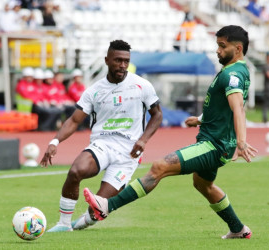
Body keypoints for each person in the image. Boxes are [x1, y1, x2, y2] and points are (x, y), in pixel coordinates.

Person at [83, 25, 258, 239]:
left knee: (160, 167)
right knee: (203, 184)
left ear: (238, 49)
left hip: (214, 145)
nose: (218, 51)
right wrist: (202, 119)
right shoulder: (238, 71)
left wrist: (242, 141)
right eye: (217, 45)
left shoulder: (232, 74)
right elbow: (224, 106)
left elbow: (237, 107)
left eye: (222, 46)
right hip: (216, 140)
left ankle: (107, 206)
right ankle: (238, 229)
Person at [40, 40, 163, 232]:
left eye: (126, 61)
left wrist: (143, 139)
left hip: (128, 153)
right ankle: (64, 224)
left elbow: (157, 114)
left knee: (97, 208)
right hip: (102, 144)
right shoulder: (94, 91)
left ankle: (85, 221)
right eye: (118, 60)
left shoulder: (142, 86)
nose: (123, 65)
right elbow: (73, 120)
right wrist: (55, 141)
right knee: (75, 171)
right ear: (107, 60)